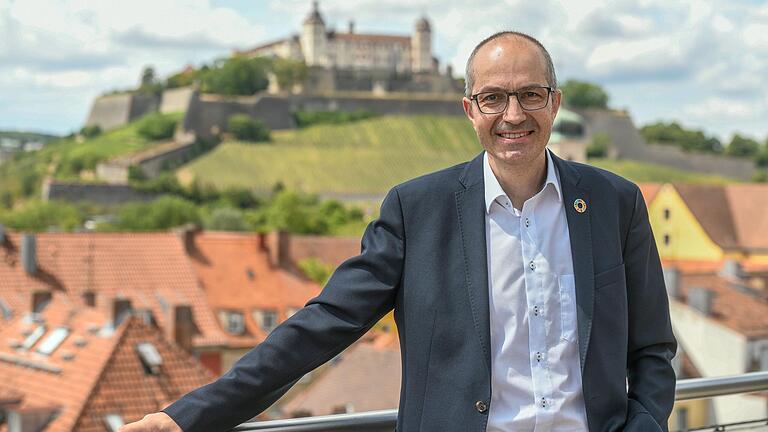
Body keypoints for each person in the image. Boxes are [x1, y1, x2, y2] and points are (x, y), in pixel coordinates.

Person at [121, 31, 676, 432]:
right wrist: (187, 417)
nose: (513, 114)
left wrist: (645, 425)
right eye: (493, 99)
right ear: (469, 110)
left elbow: (652, 348)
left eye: (531, 95)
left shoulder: (615, 202)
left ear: (554, 104)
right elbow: (325, 323)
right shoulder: (417, 209)